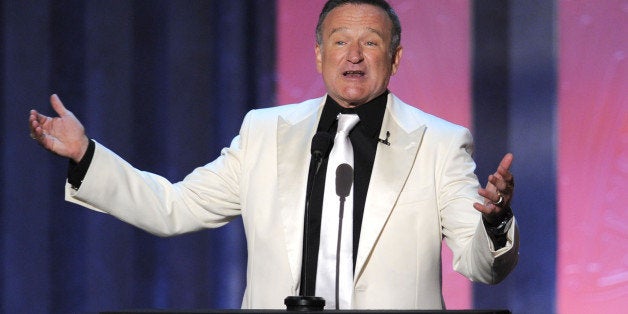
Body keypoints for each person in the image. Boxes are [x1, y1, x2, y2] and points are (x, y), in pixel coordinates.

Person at [28, 0, 518, 310]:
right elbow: (173, 208)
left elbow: (481, 266)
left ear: (394, 59)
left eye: (371, 43)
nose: (354, 55)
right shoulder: (265, 132)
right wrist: (87, 155)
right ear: (318, 54)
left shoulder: (439, 142)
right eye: (340, 41)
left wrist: (494, 224)